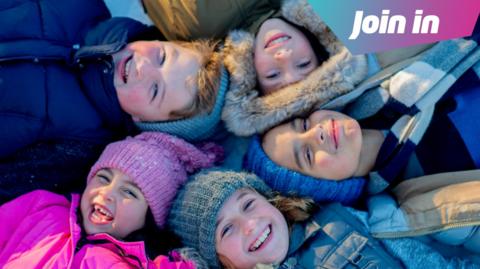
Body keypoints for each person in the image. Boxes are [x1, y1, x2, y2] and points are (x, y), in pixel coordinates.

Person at [0, 0, 226, 194]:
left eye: (155, 90)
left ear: (144, 121)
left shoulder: (78, 147)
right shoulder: (81, 5)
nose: (143, 69)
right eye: (161, 57)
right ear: (158, 40)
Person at [244, 34, 480, 204]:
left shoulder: (367, 75)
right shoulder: (429, 185)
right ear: (327, 187)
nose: (317, 133)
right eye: (307, 154)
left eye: (304, 124)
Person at [168, 169, 480, 269]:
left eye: (248, 204)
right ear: (220, 260)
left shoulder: (336, 221)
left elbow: (419, 257)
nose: (249, 225)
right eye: (226, 229)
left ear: (270, 199)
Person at [0, 132, 221, 268]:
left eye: (129, 193)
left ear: (149, 218)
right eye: (103, 177)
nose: (106, 193)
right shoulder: (43, 207)